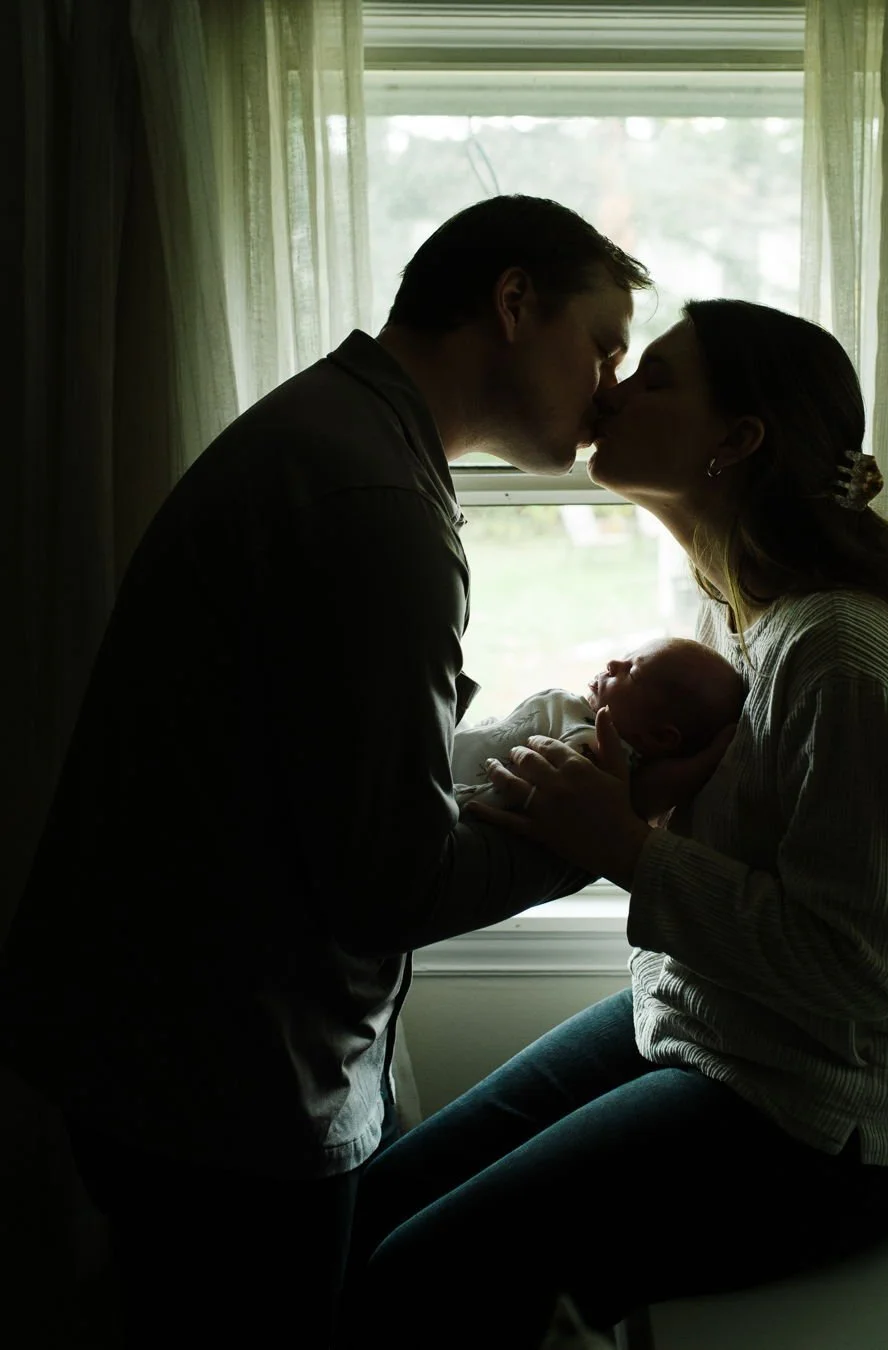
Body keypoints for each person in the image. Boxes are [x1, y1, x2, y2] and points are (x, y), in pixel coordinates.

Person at [0, 196, 656, 1349]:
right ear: (512, 305)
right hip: (219, 1089)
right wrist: (611, 828)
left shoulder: (339, 437)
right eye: (601, 344)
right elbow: (388, 882)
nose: (611, 388)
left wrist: (546, 748)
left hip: (157, 1056)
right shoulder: (378, 507)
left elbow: (332, 771)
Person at [338, 300, 888, 1348]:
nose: (611, 392)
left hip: (825, 1128)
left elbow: (862, 967)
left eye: (652, 379)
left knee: (416, 1278)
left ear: (736, 443)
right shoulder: (738, 613)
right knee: (361, 1215)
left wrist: (628, 850)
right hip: (707, 1022)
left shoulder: (845, 653)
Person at [452, 637, 745, 805]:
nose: (612, 664)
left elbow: (652, 792)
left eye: (632, 672)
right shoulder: (582, 718)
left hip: (442, 783)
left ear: (659, 737)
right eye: (626, 657)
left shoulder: (594, 754)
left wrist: (709, 759)